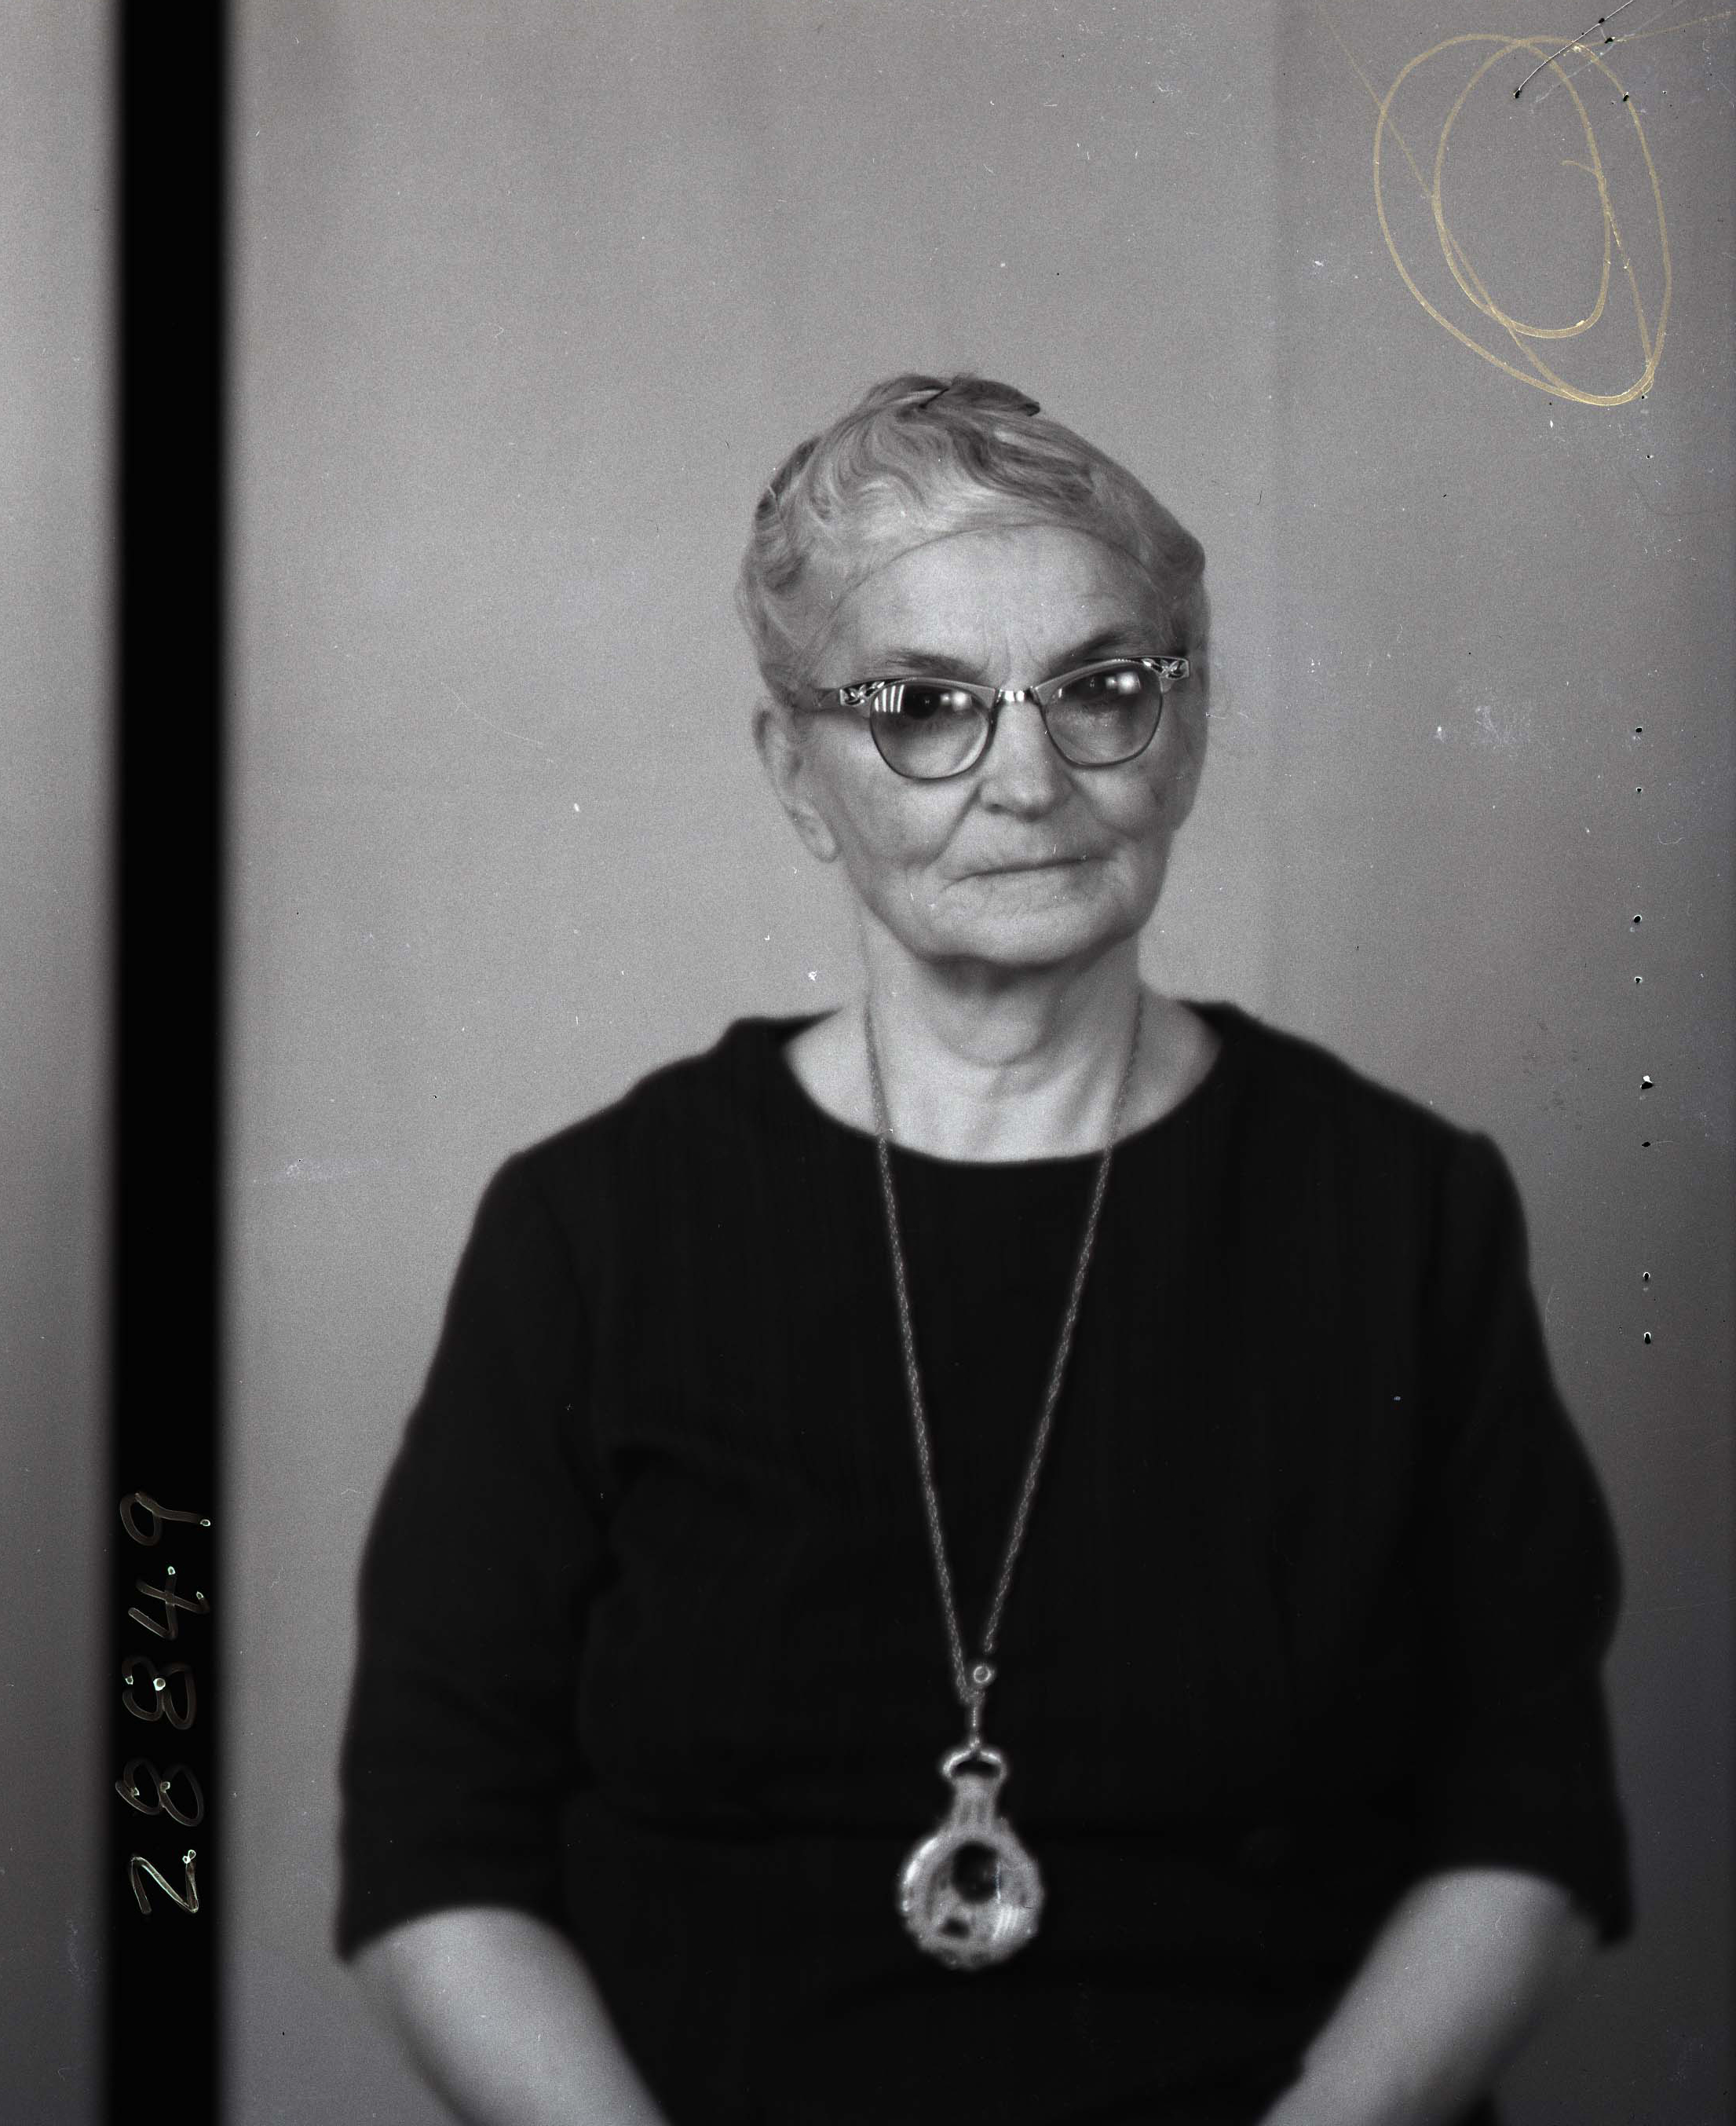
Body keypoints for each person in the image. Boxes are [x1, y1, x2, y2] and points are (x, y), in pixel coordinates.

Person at [337, 375, 1629, 2125]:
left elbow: (1527, 1820)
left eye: (1099, 688)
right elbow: (434, 1852)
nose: (1026, 779)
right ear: (797, 773)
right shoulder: (590, 1230)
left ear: (1184, 726)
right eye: (921, 707)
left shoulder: (1403, 1210)